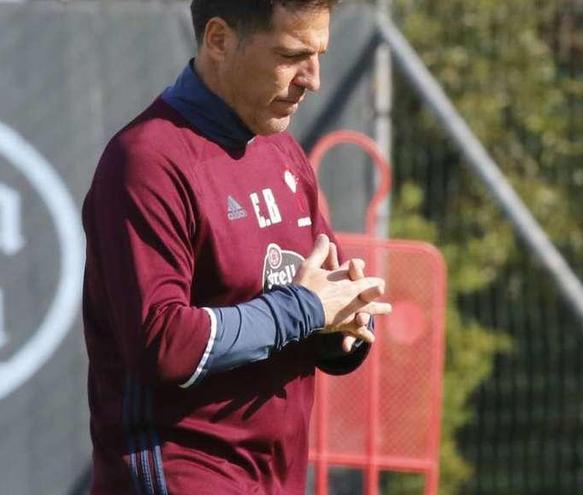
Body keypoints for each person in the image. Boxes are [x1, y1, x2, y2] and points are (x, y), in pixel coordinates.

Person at [81, 1, 391, 493]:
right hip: (181, 476)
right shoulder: (147, 161)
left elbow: (323, 296)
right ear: (219, 40)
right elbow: (163, 344)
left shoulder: (282, 149)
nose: (312, 79)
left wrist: (344, 327)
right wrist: (306, 308)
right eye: (291, 55)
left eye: (319, 54)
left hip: (276, 478)